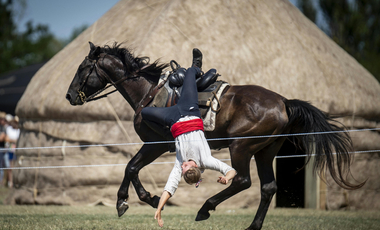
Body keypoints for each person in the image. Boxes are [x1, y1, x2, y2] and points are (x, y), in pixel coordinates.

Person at [141, 49, 236, 227]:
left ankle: (166, 132)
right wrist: (227, 178)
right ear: (195, 166)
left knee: (144, 113)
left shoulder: (180, 166)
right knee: (190, 71)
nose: (183, 164)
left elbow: (170, 188)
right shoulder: (206, 160)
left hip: (173, 118)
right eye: (186, 166)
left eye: (182, 168)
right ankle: (197, 71)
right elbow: (231, 170)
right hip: (189, 110)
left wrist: (159, 209)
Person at [4, 115, 20, 188]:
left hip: (17, 150)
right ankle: (10, 182)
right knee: (10, 167)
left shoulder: (19, 130)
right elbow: (7, 139)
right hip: (10, 149)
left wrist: (12, 140)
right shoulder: (9, 129)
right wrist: (14, 141)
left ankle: (16, 182)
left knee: (17, 166)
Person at [0, 112, 7, 186]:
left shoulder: (3, 128)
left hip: (2, 149)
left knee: (2, 166)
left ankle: (1, 182)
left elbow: (2, 138)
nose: (3, 121)